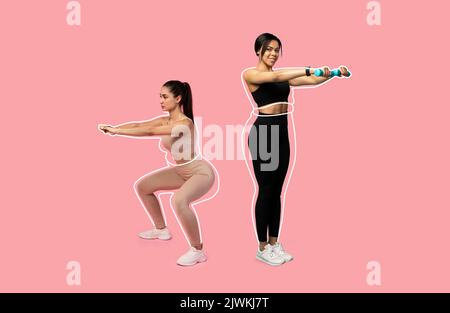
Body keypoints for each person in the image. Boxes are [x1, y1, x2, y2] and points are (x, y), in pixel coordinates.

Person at [242, 33, 350, 266]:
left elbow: (310, 81)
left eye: (277, 50)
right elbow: (283, 74)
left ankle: (274, 244)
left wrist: (332, 73)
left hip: (281, 133)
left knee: (278, 191)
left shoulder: (281, 77)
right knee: (266, 190)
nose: (273, 53)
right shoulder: (251, 74)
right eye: (269, 49)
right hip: (264, 134)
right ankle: (262, 248)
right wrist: (311, 69)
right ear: (258, 50)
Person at [98, 80, 216, 266]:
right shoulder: (166, 120)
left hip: (200, 173)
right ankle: (161, 229)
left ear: (178, 98)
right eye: (159, 96)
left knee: (178, 200)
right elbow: (139, 125)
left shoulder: (184, 123)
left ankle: (197, 250)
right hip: (181, 171)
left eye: (165, 96)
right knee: (143, 186)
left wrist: (117, 131)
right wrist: (114, 127)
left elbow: (150, 131)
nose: (160, 100)